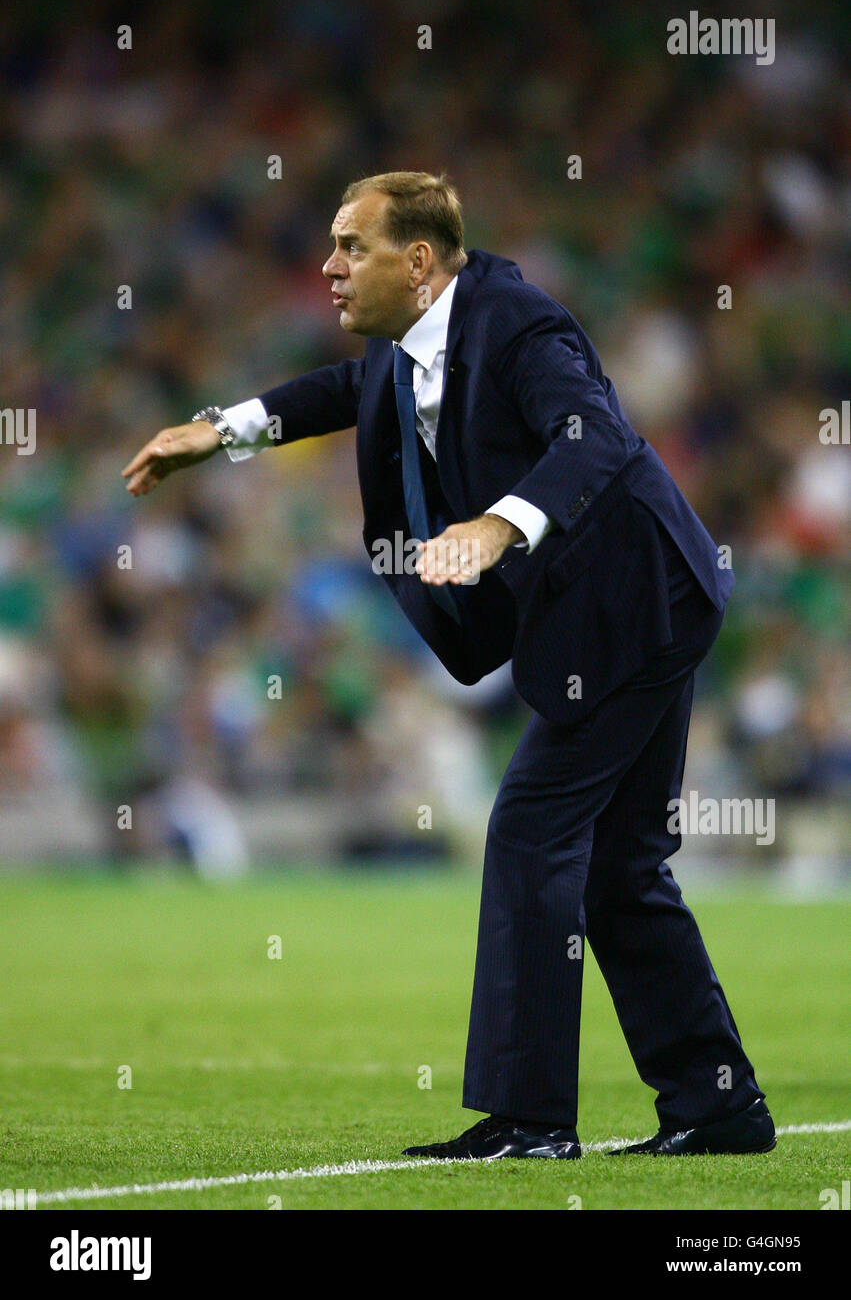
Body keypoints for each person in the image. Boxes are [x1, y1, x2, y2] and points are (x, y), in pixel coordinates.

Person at [123, 171, 775, 1161]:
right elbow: (344, 389)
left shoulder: (517, 322)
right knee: (618, 867)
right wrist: (218, 431)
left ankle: (528, 1120)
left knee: (528, 828)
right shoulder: (401, 349)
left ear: (417, 261)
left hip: (630, 598)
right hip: (623, 602)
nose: (329, 267)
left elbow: (588, 432)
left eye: (351, 247)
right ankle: (715, 1101)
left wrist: (495, 523)